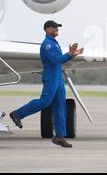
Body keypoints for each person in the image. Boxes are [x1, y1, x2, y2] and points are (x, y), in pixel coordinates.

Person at [9, 20, 84, 148]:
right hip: (51, 76)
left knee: (60, 105)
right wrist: (70, 54)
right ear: (47, 29)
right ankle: (17, 114)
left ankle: (60, 136)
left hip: (58, 76)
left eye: (58, 27)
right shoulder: (47, 45)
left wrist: (71, 55)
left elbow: (59, 61)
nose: (57, 29)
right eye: (54, 27)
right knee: (45, 102)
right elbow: (55, 60)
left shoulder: (54, 43)